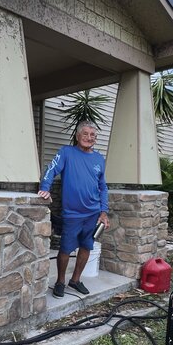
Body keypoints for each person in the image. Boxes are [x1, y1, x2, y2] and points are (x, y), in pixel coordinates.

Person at [38, 121, 109, 297]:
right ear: (78, 136)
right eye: (85, 134)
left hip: (92, 213)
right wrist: (45, 188)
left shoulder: (99, 159)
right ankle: (60, 281)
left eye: (92, 135)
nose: (89, 138)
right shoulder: (67, 153)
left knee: (86, 247)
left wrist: (103, 211)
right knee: (65, 249)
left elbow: (103, 187)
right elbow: (51, 169)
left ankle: (75, 280)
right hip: (72, 214)